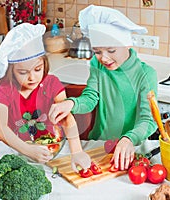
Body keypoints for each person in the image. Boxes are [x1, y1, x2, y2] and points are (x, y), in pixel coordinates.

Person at [49, 5, 158, 171]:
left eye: (111, 50)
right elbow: (90, 97)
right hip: (99, 145)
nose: (104, 58)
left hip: (133, 149)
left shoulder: (146, 74)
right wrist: (71, 104)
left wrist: (128, 139)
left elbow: (148, 119)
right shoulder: (97, 65)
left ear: (127, 44)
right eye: (97, 51)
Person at [0, 23, 91, 171]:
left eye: (38, 69)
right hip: (20, 155)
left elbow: (65, 117)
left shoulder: (51, 84)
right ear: (12, 71)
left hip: (54, 153)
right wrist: (28, 150)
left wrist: (77, 151)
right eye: (23, 72)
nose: (32, 77)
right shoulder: (6, 89)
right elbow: (0, 128)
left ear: (44, 63)